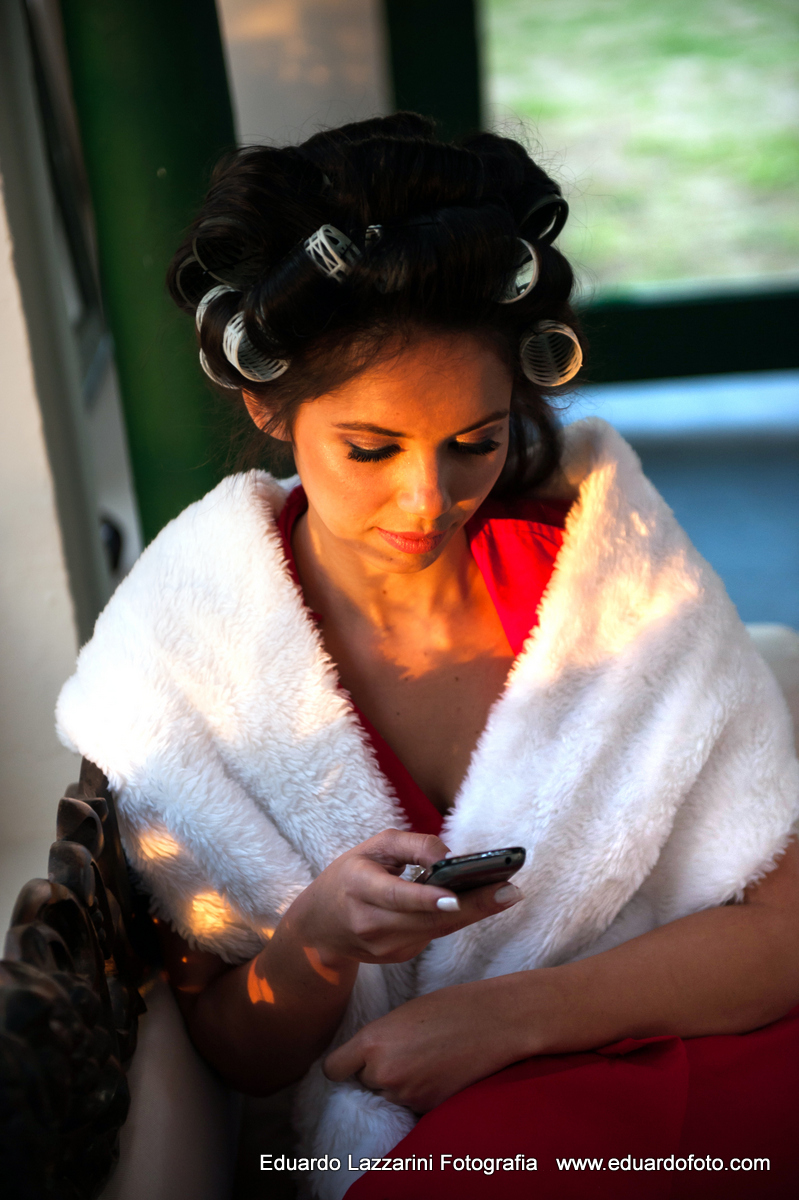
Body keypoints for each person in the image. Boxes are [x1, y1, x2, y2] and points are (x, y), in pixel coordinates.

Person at [56, 115, 799, 1200]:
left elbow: (780, 932)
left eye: (475, 443)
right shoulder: (186, 668)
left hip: (702, 1049)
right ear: (269, 402)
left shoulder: (615, 586)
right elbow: (237, 1052)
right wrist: (314, 940)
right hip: (443, 1133)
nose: (428, 501)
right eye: (370, 450)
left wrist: (502, 1017)